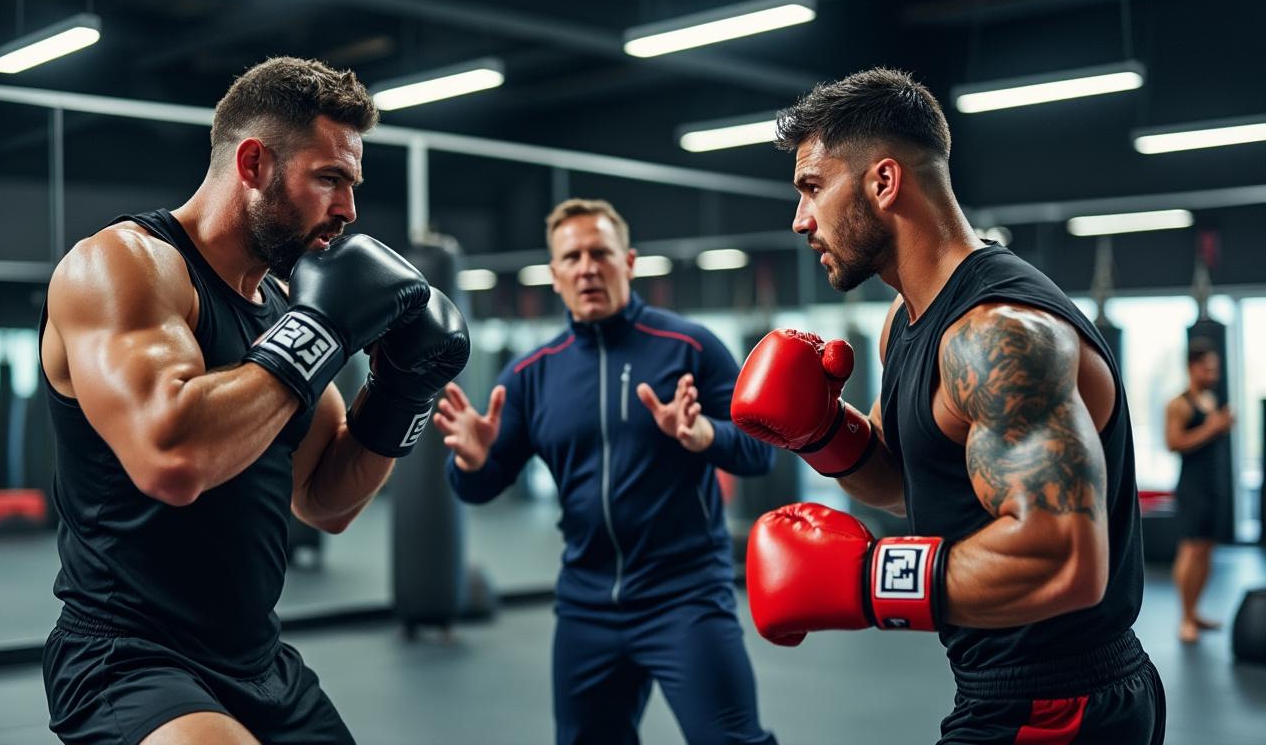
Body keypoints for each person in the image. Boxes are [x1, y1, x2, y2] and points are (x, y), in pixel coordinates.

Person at [39, 57, 470, 745]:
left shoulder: (279, 309)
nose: (349, 210)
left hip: (258, 660)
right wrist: (321, 331)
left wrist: (399, 392)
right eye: (330, 178)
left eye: (352, 184)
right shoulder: (123, 266)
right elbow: (170, 458)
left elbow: (324, 500)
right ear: (253, 164)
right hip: (127, 659)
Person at [732, 69, 1164, 743]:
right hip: (1003, 690)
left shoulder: (997, 335)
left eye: (813, 188)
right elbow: (906, 484)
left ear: (883, 181)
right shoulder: (907, 322)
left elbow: (1064, 558)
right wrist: (825, 434)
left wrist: (867, 583)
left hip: (1060, 705)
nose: (800, 220)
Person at [433, 198, 777, 745]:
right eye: (572, 257)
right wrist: (472, 461)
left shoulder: (691, 349)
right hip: (586, 606)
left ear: (629, 262)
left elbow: (762, 453)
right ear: (555, 274)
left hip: (684, 597)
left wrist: (703, 435)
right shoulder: (530, 375)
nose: (587, 267)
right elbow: (480, 488)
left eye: (600, 253)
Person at [1165, 338, 1233, 643]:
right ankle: (1184, 617)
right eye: (1208, 367)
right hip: (1191, 487)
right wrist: (1213, 427)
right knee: (1191, 550)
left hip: (1213, 484)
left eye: (1215, 367)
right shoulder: (1179, 404)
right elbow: (1174, 443)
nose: (1213, 373)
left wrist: (1219, 424)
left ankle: (1195, 612)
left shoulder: (1211, 400)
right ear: (1193, 367)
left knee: (1207, 550)